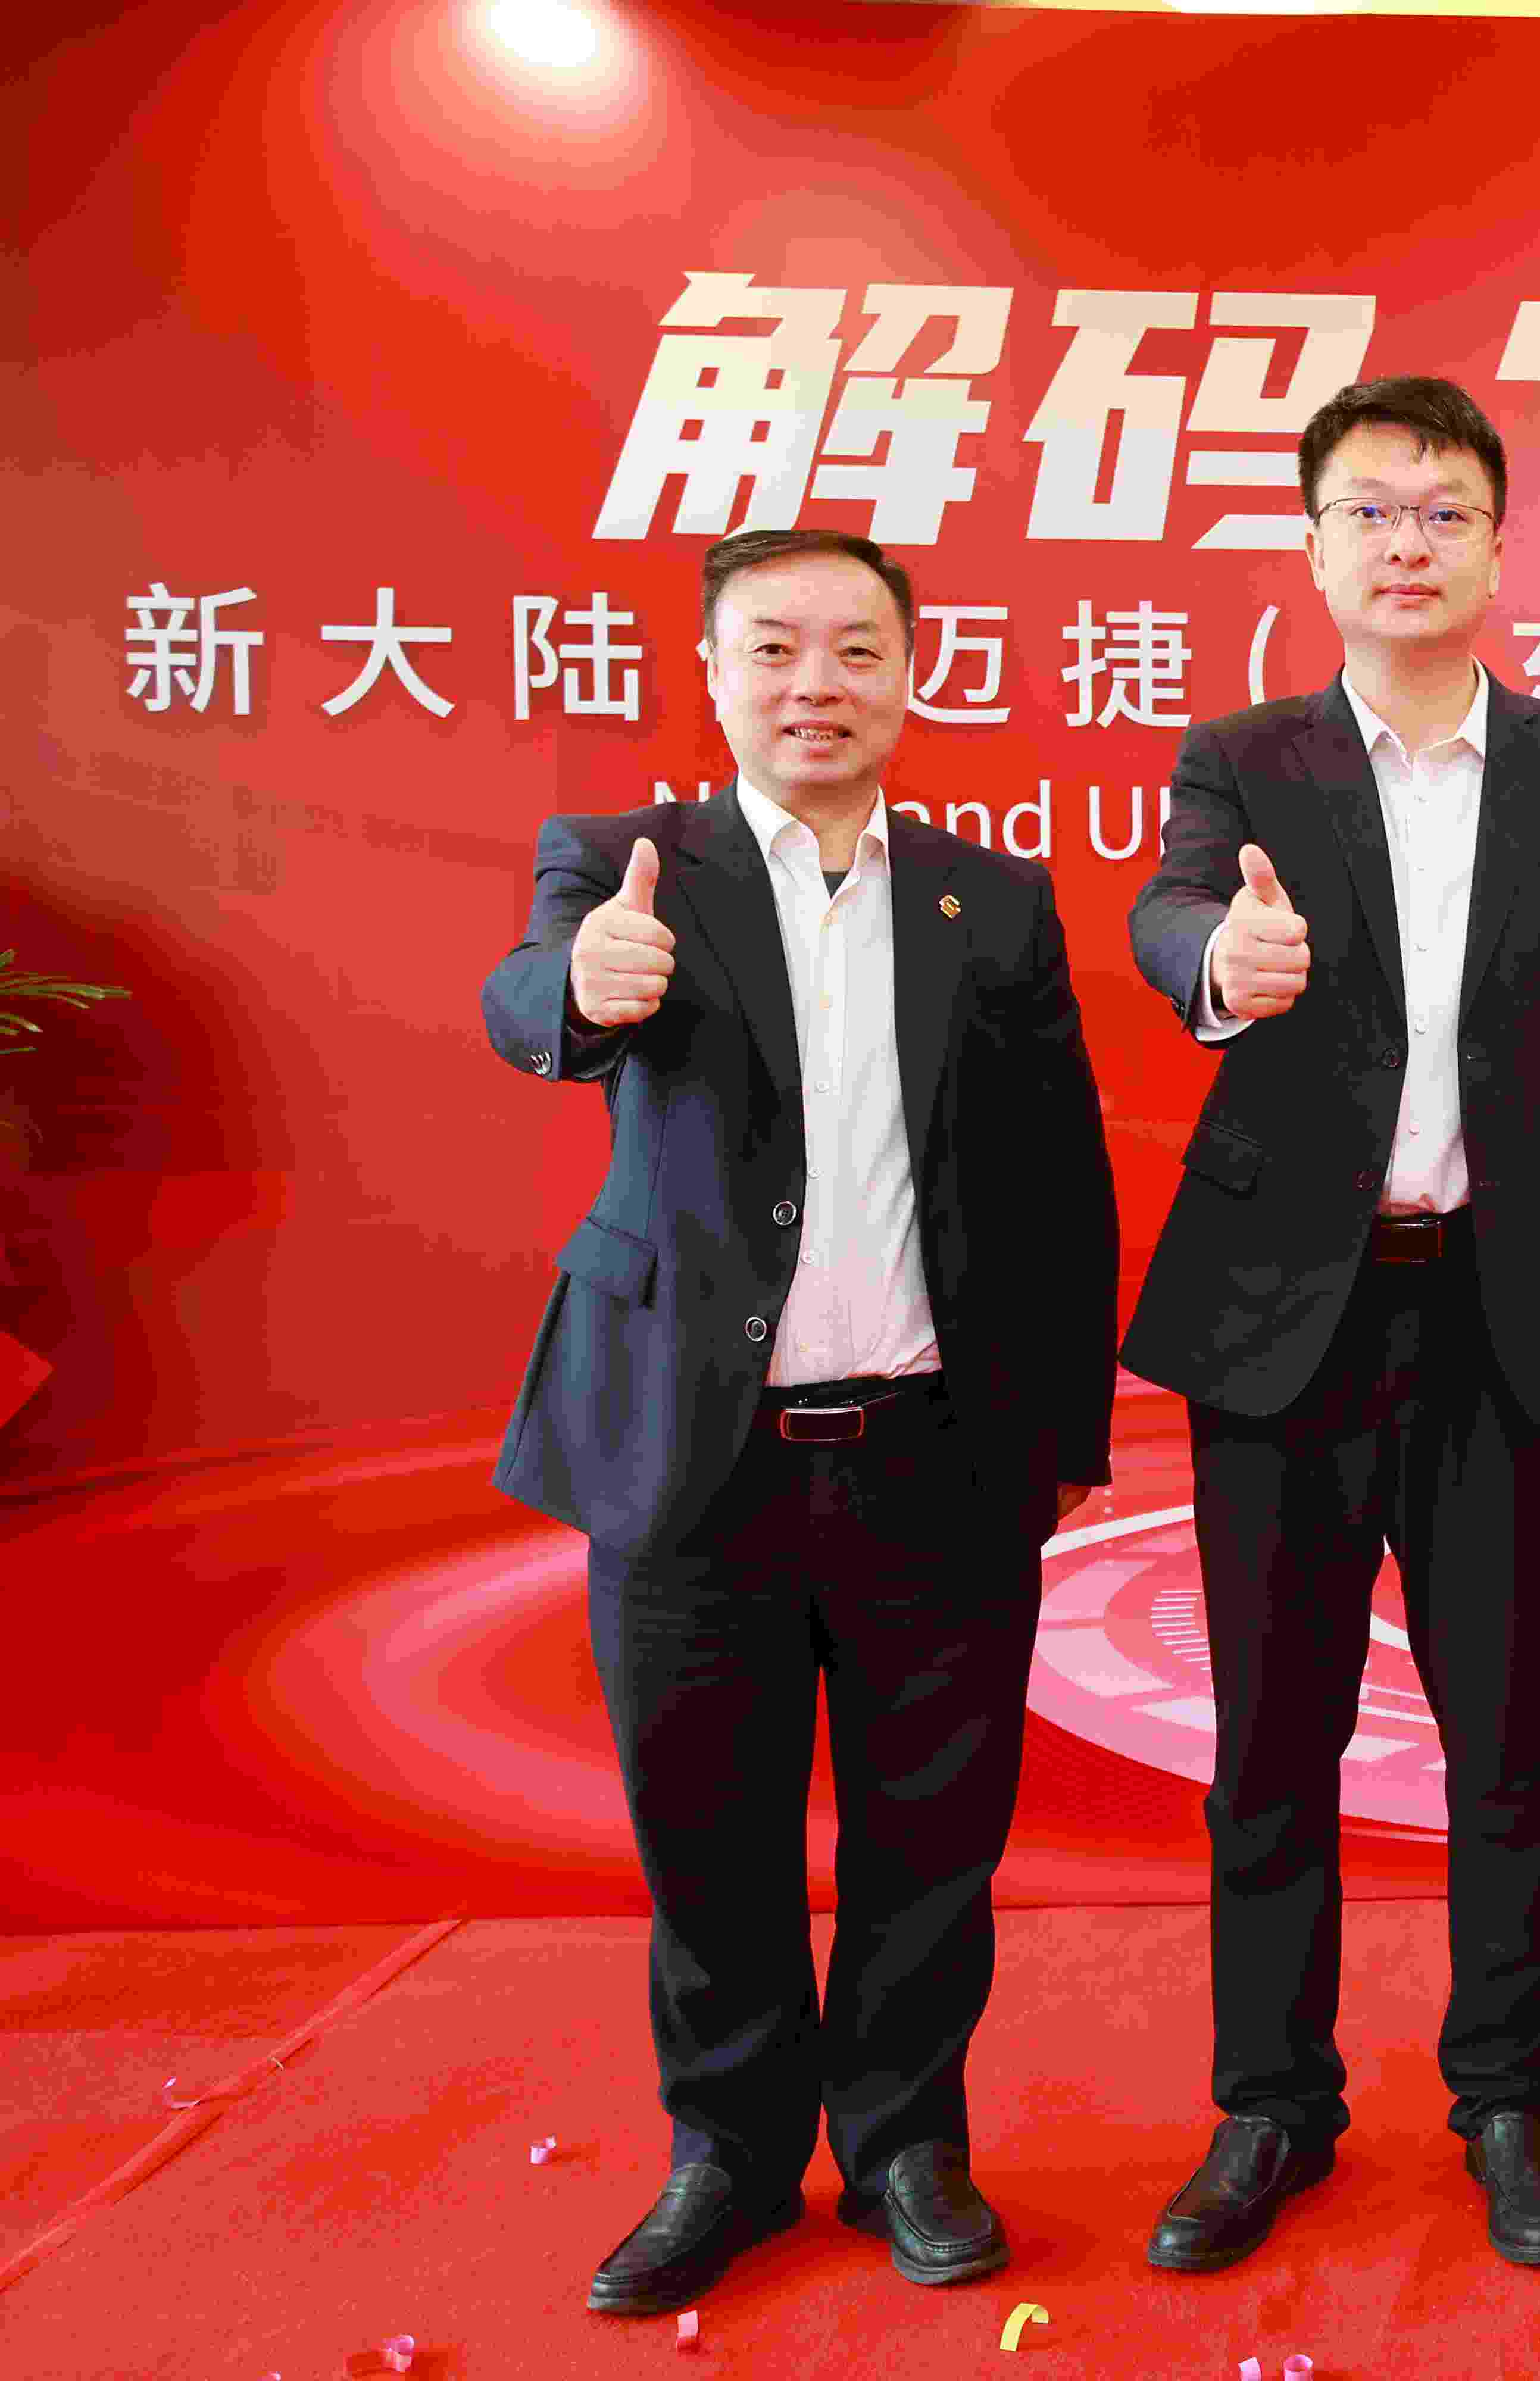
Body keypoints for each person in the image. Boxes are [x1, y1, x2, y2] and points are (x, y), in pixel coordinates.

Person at [480, 527, 1119, 2316]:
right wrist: (579, 991)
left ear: (912, 675)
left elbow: (1061, 1184)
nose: (813, 685)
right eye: (772, 649)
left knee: (936, 1836)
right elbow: (530, 999)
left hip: (938, 1453)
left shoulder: (991, 900)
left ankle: (908, 2142)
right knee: (709, 1840)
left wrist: (1064, 1437)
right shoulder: (627, 867)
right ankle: (732, 2155)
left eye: (854, 649)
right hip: (696, 1458)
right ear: (713, 674)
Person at [1119, 376, 1540, 2274]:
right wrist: (1221, 961)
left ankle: (1514, 2103)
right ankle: (1269, 2108)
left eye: (1445, 513)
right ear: (1315, 550)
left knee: (1511, 1744)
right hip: (1285, 1319)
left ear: (1501, 550)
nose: (1408, 544)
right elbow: (1174, 913)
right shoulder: (1247, 759)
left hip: (1498, 1316)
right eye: (1370, 512)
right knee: (1272, 1743)